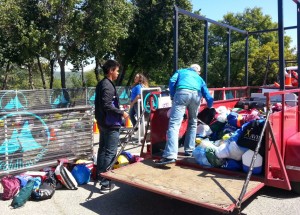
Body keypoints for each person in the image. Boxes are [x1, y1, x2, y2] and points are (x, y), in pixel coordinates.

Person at [156, 64, 214, 165]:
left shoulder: (181, 72)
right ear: (198, 72)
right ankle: (189, 150)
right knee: (193, 122)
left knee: (174, 124)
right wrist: (209, 105)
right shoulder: (199, 78)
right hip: (196, 96)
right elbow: (207, 94)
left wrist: (173, 95)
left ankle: (170, 155)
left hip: (182, 94)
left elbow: (172, 81)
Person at [94, 59, 129, 193]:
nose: (118, 73)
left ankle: (100, 175)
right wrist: (122, 113)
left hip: (103, 122)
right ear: (111, 71)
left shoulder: (102, 84)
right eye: (117, 70)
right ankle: (105, 183)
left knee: (103, 149)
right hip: (110, 123)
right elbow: (107, 105)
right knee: (110, 152)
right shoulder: (107, 85)